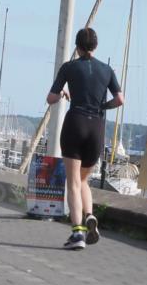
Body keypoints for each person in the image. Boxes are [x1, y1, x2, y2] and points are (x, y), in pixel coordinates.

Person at [46, 28, 123, 250]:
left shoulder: (69, 67)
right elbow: (119, 99)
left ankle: (78, 234)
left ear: (77, 47)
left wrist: (62, 94)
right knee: (83, 181)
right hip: (96, 127)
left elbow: (50, 98)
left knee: (72, 183)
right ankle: (90, 215)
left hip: (75, 123)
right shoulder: (107, 70)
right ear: (95, 46)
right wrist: (102, 106)